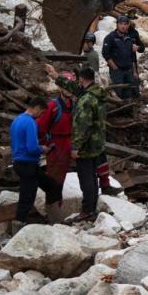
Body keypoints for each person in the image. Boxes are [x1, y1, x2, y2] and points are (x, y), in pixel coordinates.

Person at [49, 65, 108, 221]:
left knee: (86, 178)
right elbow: (75, 88)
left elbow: (82, 125)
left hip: (86, 146)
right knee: (92, 176)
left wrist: (75, 147)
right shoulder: (95, 93)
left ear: (82, 79)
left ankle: (87, 209)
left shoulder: (86, 100)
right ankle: (92, 207)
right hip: (96, 143)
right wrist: (56, 76)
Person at [10, 97, 62, 224]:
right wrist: (43, 149)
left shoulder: (17, 120)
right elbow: (32, 148)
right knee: (27, 197)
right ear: (37, 108)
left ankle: (53, 220)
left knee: (51, 185)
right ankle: (19, 224)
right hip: (28, 164)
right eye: (42, 112)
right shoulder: (30, 122)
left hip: (19, 162)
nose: (42, 116)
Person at [36, 72, 77, 188]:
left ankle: (57, 201)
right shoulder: (52, 106)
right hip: (55, 145)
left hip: (69, 143)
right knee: (54, 177)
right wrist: (46, 144)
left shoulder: (74, 105)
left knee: (62, 176)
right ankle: (52, 203)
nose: (68, 90)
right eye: (66, 86)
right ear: (60, 87)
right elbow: (41, 128)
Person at [102, 15, 143, 100]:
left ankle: (129, 110)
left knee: (130, 92)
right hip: (117, 71)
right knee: (118, 93)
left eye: (125, 24)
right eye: (121, 24)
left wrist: (134, 71)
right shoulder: (110, 37)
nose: (123, 26)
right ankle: (119, 110)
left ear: (128, 25)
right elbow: (105, 53)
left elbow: (132, 56)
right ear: (117, 25)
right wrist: (114, 66)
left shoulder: (129, 38)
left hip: (128, 69)